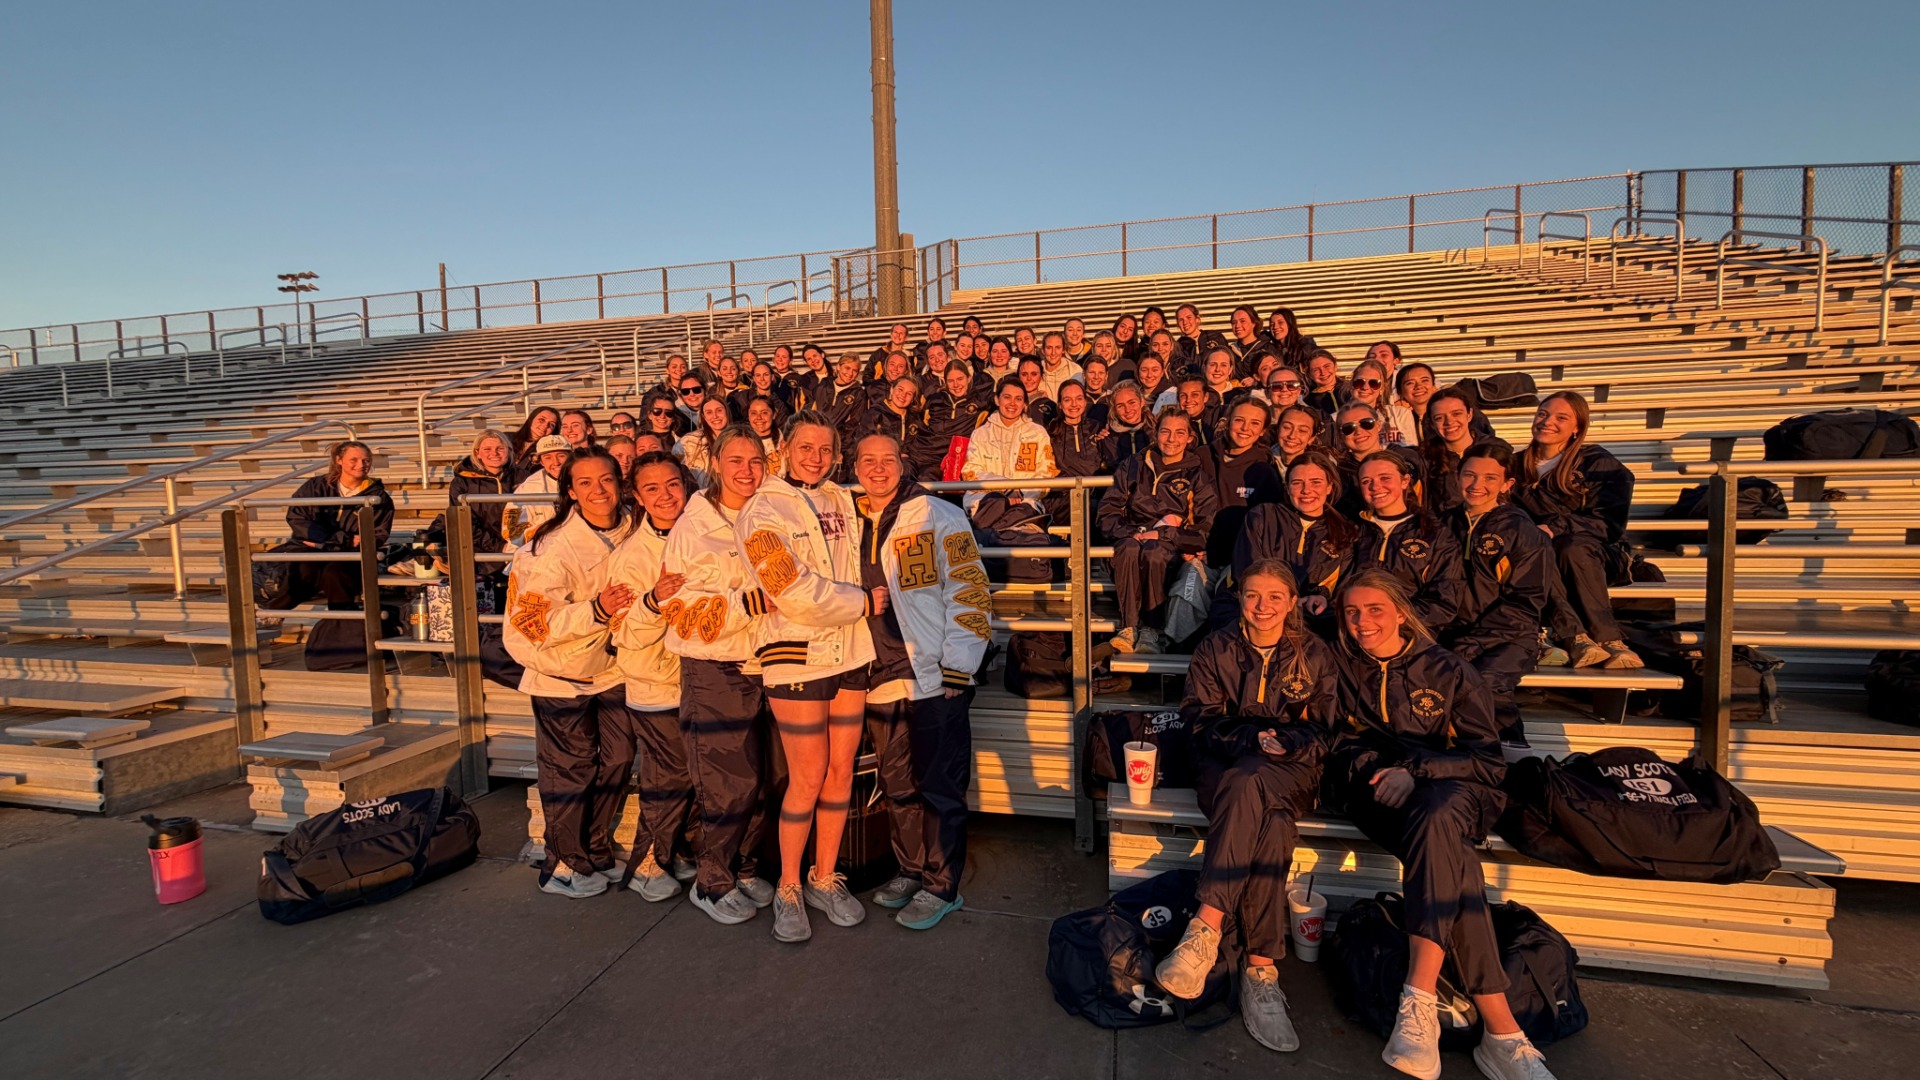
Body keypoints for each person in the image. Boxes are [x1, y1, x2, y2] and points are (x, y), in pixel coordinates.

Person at [1322, 572, 1560, 1080]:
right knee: (1450, 854)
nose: (1363, 622)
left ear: (1402, 612)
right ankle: (1502, 1033)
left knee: (1438, 820)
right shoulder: (1340, 667)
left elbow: (1489, 761)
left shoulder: (1448, 669)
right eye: (1352, 612)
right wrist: (1376, 769)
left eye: (1375, 610)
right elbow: (1335, 739)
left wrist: (1419, 772)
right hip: (1377, 792)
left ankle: (1419, 996)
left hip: (1452, 792)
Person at [1154, 559, 1337, 1053]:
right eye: (1253, 595)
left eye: (1275, 597)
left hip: (1292, 771)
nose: (1263, 606)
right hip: (1224, 768)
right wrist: (1253, 736)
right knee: (1270, 822)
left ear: (1292, 602)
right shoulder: (1217, 647)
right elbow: (1198, 720)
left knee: (1256, 781)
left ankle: (1206, 926)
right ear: (1240, 598)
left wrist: (1286, 742)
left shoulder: (1313, 653)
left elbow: (1323, 731)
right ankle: (1262, 971)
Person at [735, 412, 883, 943]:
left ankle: (824, 876)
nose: (816, 457)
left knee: (842, 771)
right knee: (808, 774)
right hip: (795, 653)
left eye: (825, 449)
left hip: (849, 651)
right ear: (784, 447)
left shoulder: (841, 498)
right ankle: (789, 886)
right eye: (805, 447)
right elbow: (791, 589)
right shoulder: (762, 508)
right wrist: (862, 602)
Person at [502, 445, 635, 899]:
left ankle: (595, 847)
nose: (599, 490)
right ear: (570, 492)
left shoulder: (633, 528)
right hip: (560, 673)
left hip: (614, 668)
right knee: (569, 770)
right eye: (585, 483)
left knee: (617, 758)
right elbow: (531, 620)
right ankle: (561, 862)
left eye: (606, 480)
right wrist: (596, 610)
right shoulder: (548, 546)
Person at [662, 426, 777, 924]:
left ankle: (744, 865)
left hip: (771, 659)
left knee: (766, 776)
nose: (747, 470)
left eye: (756, 460)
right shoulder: (694, 525)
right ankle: (712, 881)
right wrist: (746, 602)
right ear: (715, 461)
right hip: (717, 665)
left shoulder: (773, 512)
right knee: (725, 779)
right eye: (736, 460)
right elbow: (678, 605)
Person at [1514, 392, 1643, 669]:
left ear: (1577, 428)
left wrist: (1554, 527)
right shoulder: (1516, 466)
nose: (1548, 422)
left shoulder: (1598, 463)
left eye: (1561, 417)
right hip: (1539, 552)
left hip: (1596, 554)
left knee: (1569, 546)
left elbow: (1608, 523)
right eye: (1543, 414)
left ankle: (1609, 640)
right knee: (1537, 547)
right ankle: (1576, 638)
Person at [1449, 441, 1552, 754]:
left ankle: (1510, 755)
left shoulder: (1523, 531)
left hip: (1508, 636)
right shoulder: (1441, 524)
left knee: (1485, 681)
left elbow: (1526, 601)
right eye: (1470, 475)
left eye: (1490, 478)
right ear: (1458, 476)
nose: (1477, 485)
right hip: (1452, 630)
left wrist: (1475, 641)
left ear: (1507, 484)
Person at [1099, 408, 1219, 653]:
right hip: (1132, 538)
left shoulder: (1197, 475)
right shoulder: (1134, 464)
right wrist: (1130, 532)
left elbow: (1205, 529)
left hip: (1168, 547)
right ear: (1156, 433)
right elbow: (1107, 511)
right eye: (1165, 431)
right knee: (1128, 547)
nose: (1171, 439)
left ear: (1189, 437)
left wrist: (1163, 534)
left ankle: (1152, 629)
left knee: (1154, 551)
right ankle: (1129, 626)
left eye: (1179, 433)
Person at [1220, 451, 1358, 631]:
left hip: (1310, 617)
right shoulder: (1264, 516)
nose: (1306, 490)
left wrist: (1322, 598)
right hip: (1256, 608)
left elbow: (1340, 586)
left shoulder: (1344, 531)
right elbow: (1246, 572)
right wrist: (1285, 600)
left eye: (1315, 482)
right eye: (1297, 483)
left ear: (1329, 487)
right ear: (1287, 488)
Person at [281, 440, 396, 620]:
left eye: (366, 460)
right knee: (302, 569)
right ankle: (273, 613)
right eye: (354, 459)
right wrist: (340, 539)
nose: (361, 465)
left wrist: (328, 541)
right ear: (339, 460)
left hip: (351, 556)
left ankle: (342, 623)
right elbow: (298, 518)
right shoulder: (316, 486)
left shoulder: (379, 497)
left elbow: (377, 535)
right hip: (316, 550)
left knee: (335, 573)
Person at [1352, 450, 1464, 632]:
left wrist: (1393, 618)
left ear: (1405, 481)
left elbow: (1444, 602)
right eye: (1366, 482)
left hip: (1411, 634)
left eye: (1385, 478)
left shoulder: (1435, 534)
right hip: (1359, 631)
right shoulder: (1354, 531)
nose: (1375, 486)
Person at [960, 377, 1057, 517]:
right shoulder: (980, 433)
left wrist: (1023, 495)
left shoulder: (1037, 433)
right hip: (986, 504)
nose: (1012, 403)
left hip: (1025, 505)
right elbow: (970, 471)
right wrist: (1005, 487)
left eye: (1018, 399)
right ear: (997, 400)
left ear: (1024, 404)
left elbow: (1046, 473)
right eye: (1007, 397)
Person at [1207, 398, 1284, 569]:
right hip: (1200, 554)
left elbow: (1267, 527)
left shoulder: (1264, 471)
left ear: (1263, 430)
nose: (1245, 428)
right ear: (1228, 422)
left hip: (1240, 561)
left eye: (1255, 423)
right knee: (1186, 591)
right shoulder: (1204, 456)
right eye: (1239, 420)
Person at [422, 429, 513, 562]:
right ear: (477, 453)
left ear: (509, 450)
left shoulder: (524, 477)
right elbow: (466, 524)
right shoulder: (462, 482)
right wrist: (500, 548)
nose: (494, 453)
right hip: (480, 547)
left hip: (517, 544)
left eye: (500, 448)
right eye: (487, 449)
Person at [913, 362, 986, 480]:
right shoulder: (934, 400)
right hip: (933, 457)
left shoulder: (981, 401)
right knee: (924, 478)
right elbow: (920, 425)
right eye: (951, 381)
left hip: (962, 458)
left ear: (969, 378)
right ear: (945, 381)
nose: (956, 384)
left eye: (960, 379)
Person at [504, 435, 570, 550]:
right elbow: (511, 531)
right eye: (548, 457)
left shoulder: (585, 480)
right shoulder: (528, 488)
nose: (556, 462)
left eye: (561, 456)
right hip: (540, 550)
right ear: (541, 461)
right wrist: (548, 530)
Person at [1349, 359, 1416, 446]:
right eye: (1359, 382)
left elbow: (1411, 451)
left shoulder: (1401, 414)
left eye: (1374, 383)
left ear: (1382, 388)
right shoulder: (1336, 419)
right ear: (1351, 385)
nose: (1365, 387)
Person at [1097, 381, 1154, 471]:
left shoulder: (1157, 432)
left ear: (1142, 402)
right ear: (1114, 410)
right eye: (1120, 406)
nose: (1127, 410)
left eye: (1132, 402)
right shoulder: (1108, 438)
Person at [677, 395, 733, 475]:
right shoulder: (688, 442)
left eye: (719, 410)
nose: (715, 416)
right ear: (704, 417)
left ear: (727, 412)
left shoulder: (740, 439)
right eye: (709, 412)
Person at [509, 407, 562, 483]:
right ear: (531, 419)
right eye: (542, 420)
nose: (545, 426)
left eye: (551, 424)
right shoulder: (507, 438)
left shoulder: (549, 451)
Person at [745, 395, 787, 477]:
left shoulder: (783, 441)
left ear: (774, 414)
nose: (759, 417)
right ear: (748, 416)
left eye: (764, 413)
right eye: (753, 413)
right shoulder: (743, 443)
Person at [1267, 307, 1317, 374]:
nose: (1275, 327)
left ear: (1289, 324)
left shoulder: (1305, 346)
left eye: (1280, 322)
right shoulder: (1273, 349)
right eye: (1272, 324)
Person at [1038, 331, 1083, 401]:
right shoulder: (1036, 370)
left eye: (1058, 348)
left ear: (1063, 350)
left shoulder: (1075, 370)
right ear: (1043, 350)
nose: (1053, 352)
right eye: (1049, 348)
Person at [1273, 404, 1322, 469]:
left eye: (1302, 431)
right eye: (1287, 427)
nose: (1292, 436)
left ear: (1311, 438)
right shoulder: (1262, 459)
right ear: (1278, 429)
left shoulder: (1321, 468)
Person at [1018, 357, 1061, 429]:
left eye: (1034, 374)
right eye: (1024, 374)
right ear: (1018, 376)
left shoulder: (1050, 405)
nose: (1029, 378)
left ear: (1041, 376)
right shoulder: (1011, 403)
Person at [1303, 351, 1345, 418]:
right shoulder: (1308, 401)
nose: (1323, 373)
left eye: (1327, 366)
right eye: (1316, 370)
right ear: (1309, 374)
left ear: (1335, 366)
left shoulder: (1351, 389)